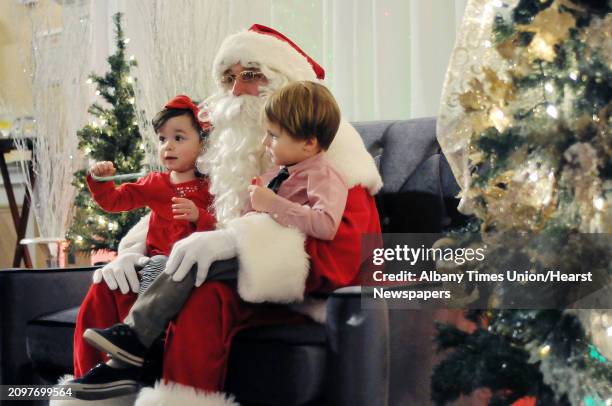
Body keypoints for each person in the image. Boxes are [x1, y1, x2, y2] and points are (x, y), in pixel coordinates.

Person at [59, 24, 382, 406]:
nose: (236, 90)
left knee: (205, 296)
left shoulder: (334, 157)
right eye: (228, 78)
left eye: (251, 75)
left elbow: (340, 256)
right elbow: (185, 211)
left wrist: (237, 243)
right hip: (220, 273)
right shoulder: (230, 152)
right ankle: (99, 393)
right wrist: (134, 254)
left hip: (287, 296)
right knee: (112, 286)